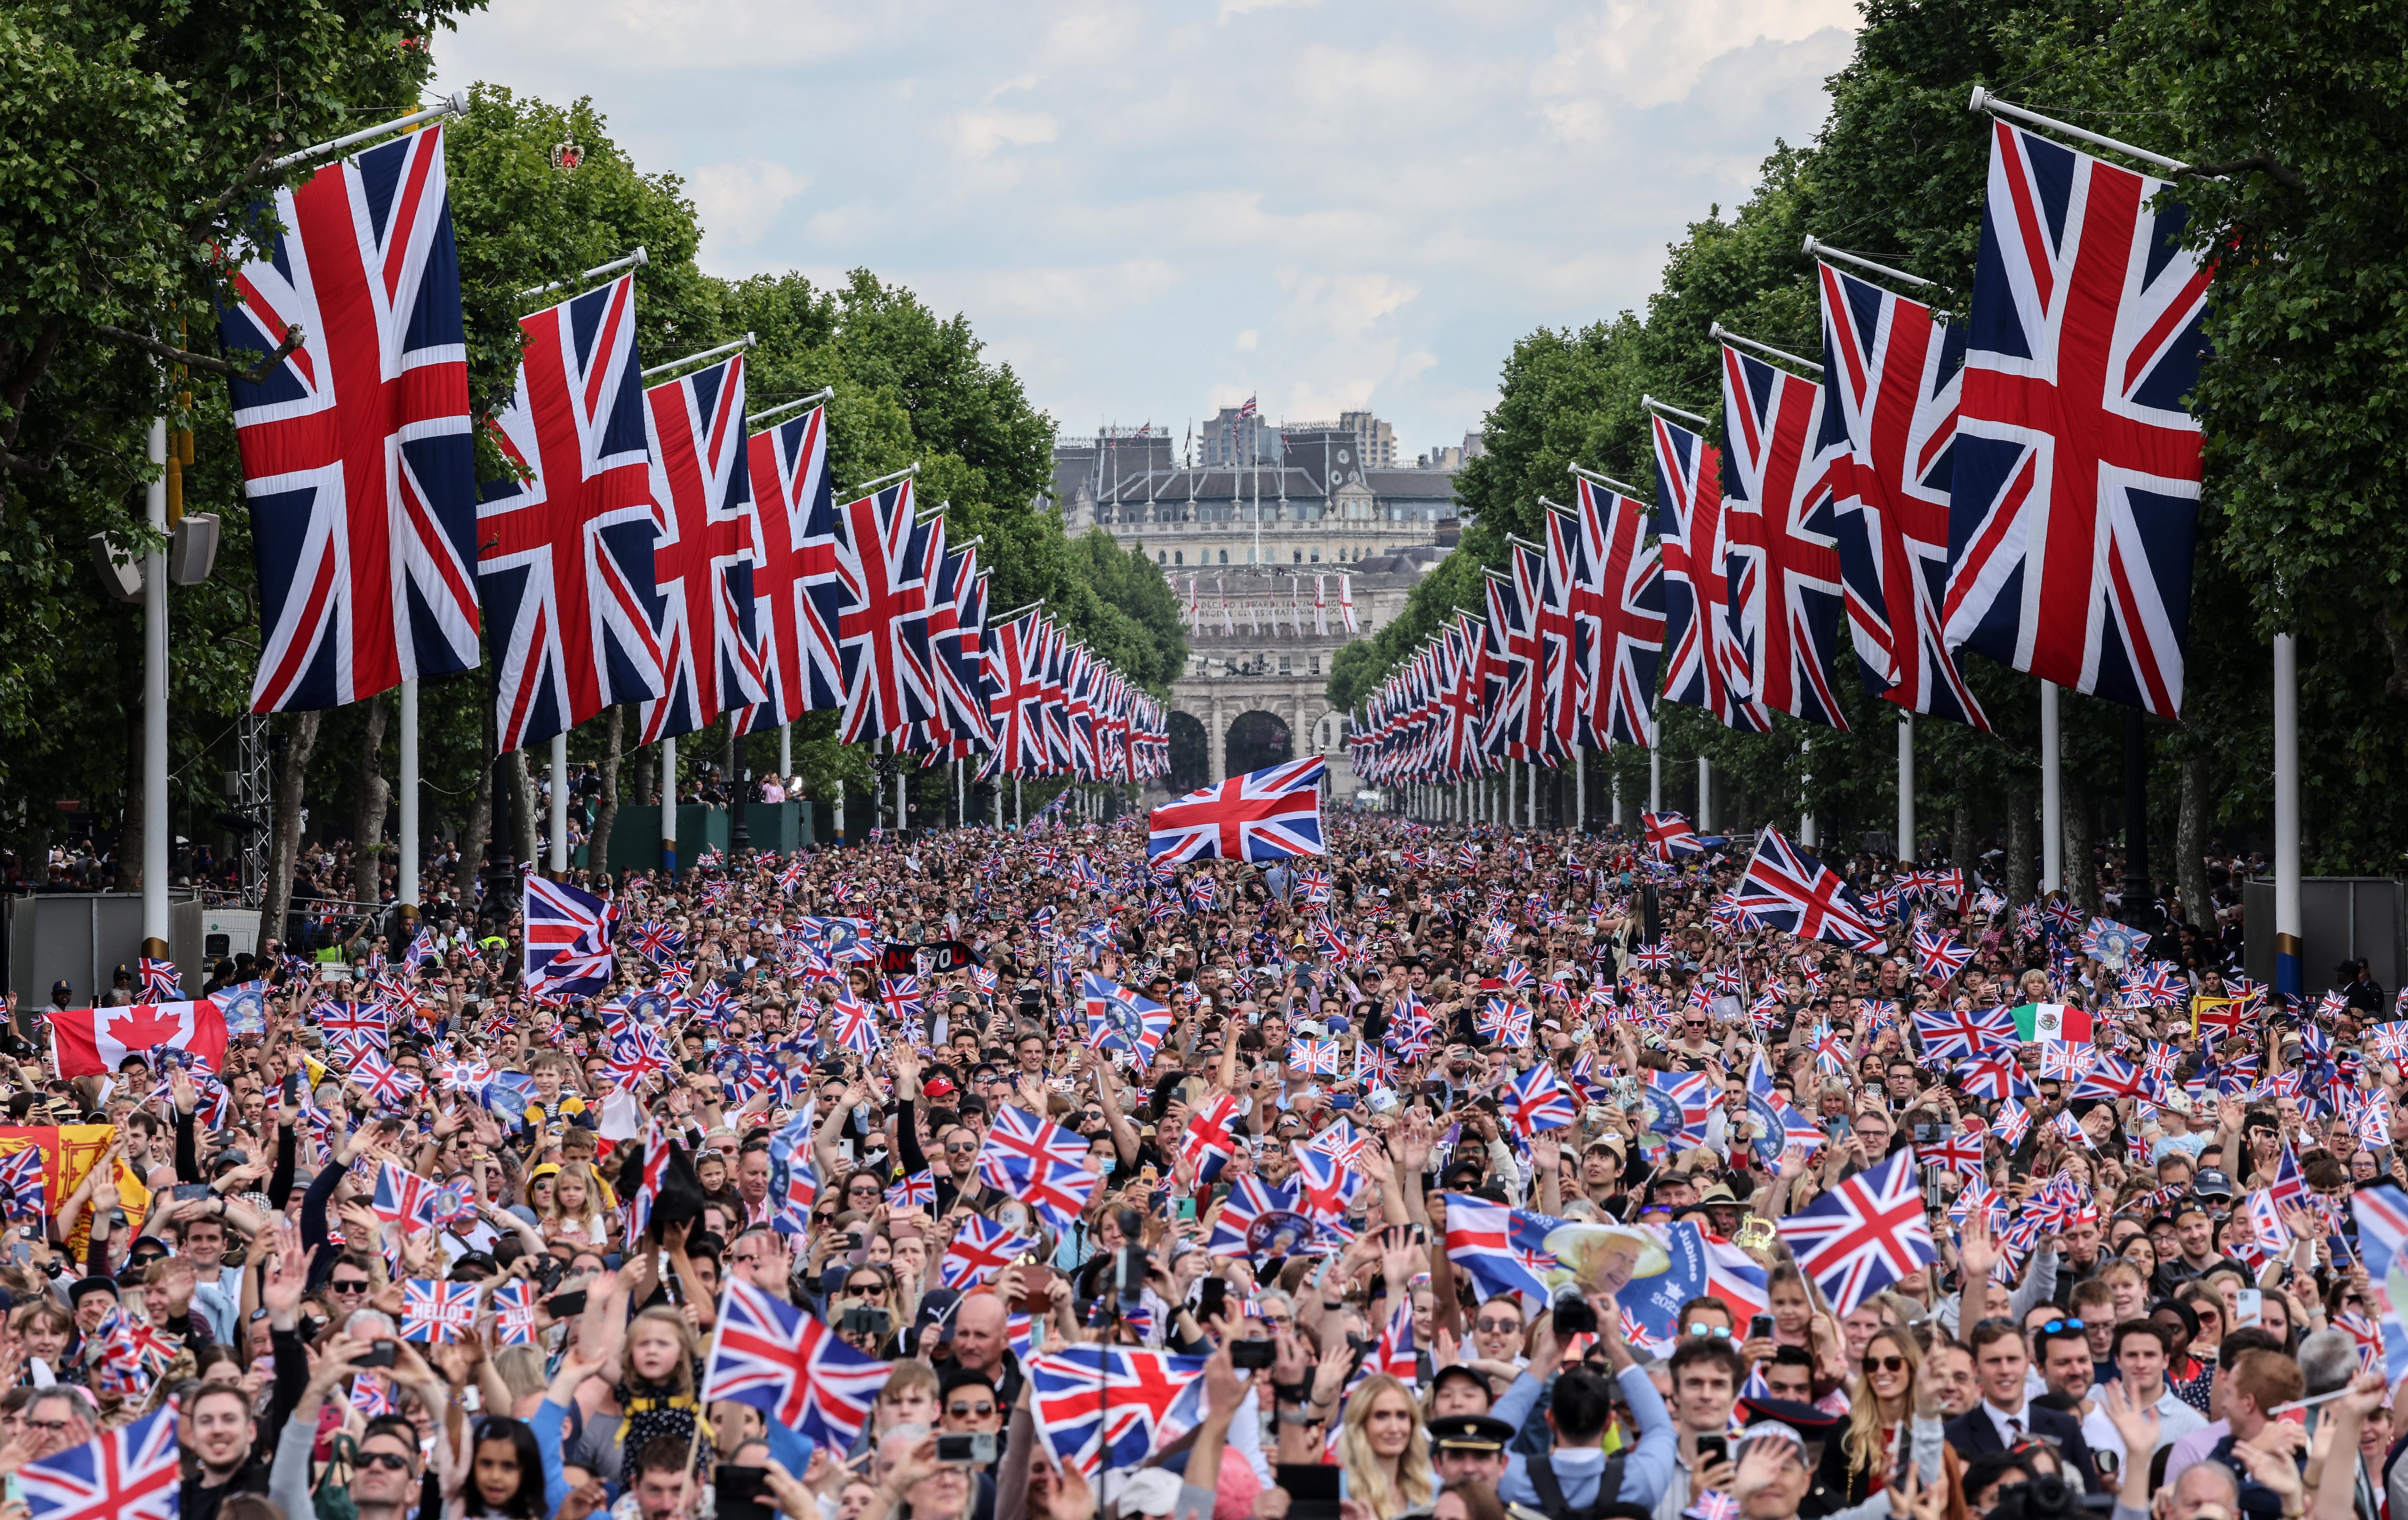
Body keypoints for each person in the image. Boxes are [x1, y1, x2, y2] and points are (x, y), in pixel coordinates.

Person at [1490, 1309, 1675, 1513]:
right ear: (1608, 1423)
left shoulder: (1512, 1478)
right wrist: (1614, 1344)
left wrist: (1543, 1363)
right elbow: (1660, 1429)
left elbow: (1489, 1439)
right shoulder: (1639, 1482)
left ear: (1550, 1420)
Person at [1944, 1319, 2102, 1492]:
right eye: (1994, 1361)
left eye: (2012, 1359)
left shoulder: (2065, 1427)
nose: (2005, 1370)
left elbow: (2092, 1502)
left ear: (2028, 1364)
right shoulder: (1952, 1436)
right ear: (1975, 1368)